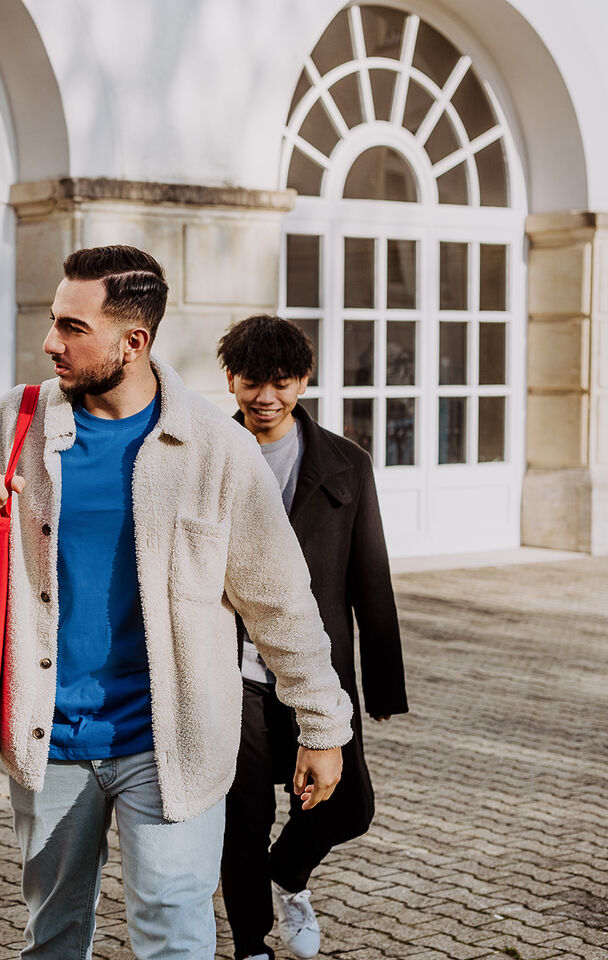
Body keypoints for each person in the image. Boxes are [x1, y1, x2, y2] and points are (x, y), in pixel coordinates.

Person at [0, 246, 354, 960]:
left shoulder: (217, 448)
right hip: (49, 737)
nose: (50, 342)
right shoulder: (14, 423)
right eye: (52, 321)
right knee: (54, 936)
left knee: (173, 937)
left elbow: (281, 599)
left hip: (173, 741)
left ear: (134, 342)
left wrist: (323, 724)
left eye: (72, 326)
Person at [216, 315, 408, 960]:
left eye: (281, 381)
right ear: (231, 380)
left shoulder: (345, 463)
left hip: (315, 670)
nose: (265, 396)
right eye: (251, 382)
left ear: (304, 380)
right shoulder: (206, 452)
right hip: (228, 668)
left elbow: (369, 578)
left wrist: (382, 684)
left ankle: (288, 876)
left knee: (347, 805)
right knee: (241, 820)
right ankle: (251, 946)